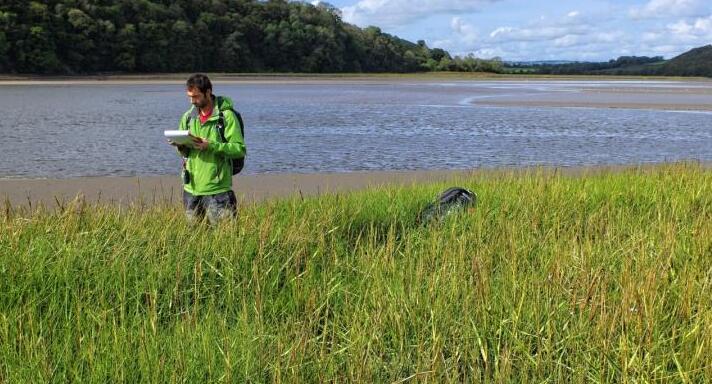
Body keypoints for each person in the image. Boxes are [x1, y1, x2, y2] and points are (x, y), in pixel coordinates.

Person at [170, 74, 246, 225]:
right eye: (190, 97)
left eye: (196, 97)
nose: (192, 101)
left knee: (226, 238)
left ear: (208, 92)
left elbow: (239, 149)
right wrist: (180, 146)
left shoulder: (227, 117)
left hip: (217, 190)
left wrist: (210, 145)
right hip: (190, 189)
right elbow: (184, 153)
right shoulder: (188, 117)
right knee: (195, 238)